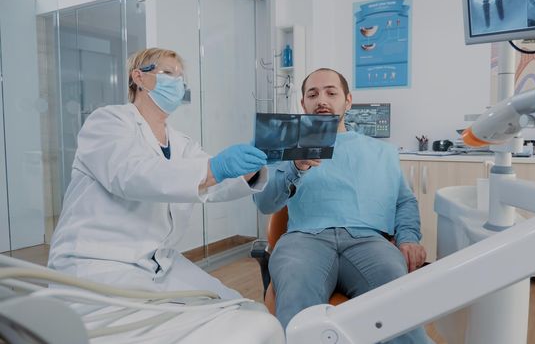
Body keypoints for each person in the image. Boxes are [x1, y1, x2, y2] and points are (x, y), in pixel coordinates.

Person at [48, 48, 268, 299]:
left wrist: (252, 166)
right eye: (167, 73)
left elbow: (210, 184)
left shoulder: (181, 143)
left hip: (157, 263)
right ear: (138, 78)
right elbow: (132, 175)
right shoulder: (108, 122)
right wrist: (214, 168)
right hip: (100, 262)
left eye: (180, 77)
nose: (177, 83)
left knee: (237, 306)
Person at [253, 68, 432, 343]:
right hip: (305, 239)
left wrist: (408, 237)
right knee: (297, 295)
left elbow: (404, 201)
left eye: (331, 92)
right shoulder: (287, 148)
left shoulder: (382, 152)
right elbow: (265, 203)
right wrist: (295, 166)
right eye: (312, 94)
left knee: (396, 298)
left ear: (347, 100)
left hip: (368, 241)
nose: (321, 99)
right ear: (303, 105)